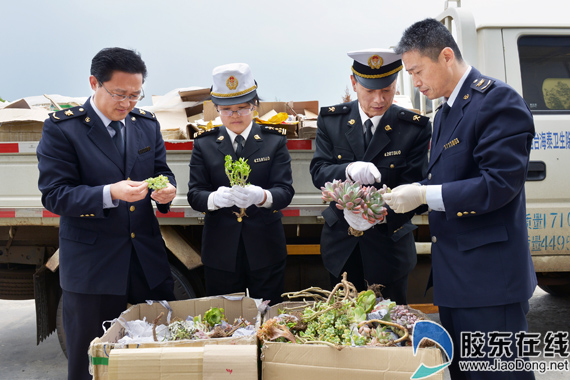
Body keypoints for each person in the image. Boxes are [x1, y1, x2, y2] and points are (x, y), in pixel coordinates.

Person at [385, 19, 537, 379]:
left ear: (447, 56)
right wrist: (390, 205)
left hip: (489, 281)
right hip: (456, 281)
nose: (416, 82)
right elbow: (443, 182)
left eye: (418, 71)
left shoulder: (497, 102)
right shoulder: (445, 113)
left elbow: (497, 185)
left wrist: (423, 193)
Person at [37, 47, 177, 380]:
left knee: (159, 356)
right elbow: (55, 195)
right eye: (119, 94)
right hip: (93, 269)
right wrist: (108, 193)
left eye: (135, 95)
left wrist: (167, 192)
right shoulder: (63, 129)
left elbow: (162, 170)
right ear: (94, 83)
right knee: (92, 363)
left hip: (146, 263)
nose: (128, 103)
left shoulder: (145, 125)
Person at [310, 49, 432, 305]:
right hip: (341, 247)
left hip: (389, 248)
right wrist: (347, 169)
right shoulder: (333, 121)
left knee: (388, 330)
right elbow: (319, 171)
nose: (379, 99)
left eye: (386, 90)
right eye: (369, 91)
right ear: (354, 83)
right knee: (342, 327)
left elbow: (418, 190)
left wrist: (377, 213)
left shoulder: (413, 127)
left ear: (396, 83)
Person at [187, 63, 294, 305]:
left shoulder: (273, 141)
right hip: (221, 252)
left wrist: (262, 196)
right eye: (226, 109)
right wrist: (214, 199)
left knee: (269, 320)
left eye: (242, 108)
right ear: (216, 109)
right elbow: (195, 194)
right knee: (224, 323)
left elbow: (285, 191)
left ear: (254, 105)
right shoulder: (204, 144)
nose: (235, 115)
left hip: (266, 249)